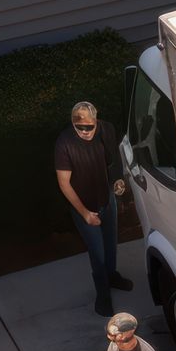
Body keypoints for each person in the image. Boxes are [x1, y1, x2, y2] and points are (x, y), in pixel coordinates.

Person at [55, 100, 131, 316]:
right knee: (97, 251)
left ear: (96, 121)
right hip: (84, 205)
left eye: (89, 126)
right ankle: (103, 294)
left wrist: (117, 179)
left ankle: (112, 276)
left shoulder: (106, 129)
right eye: (80, 127)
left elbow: (114, 158)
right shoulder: (64, 144)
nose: (85, 131)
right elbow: (64, 183)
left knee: (110, 243)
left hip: (106, 198)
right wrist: (85, 213)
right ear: (73, 124)